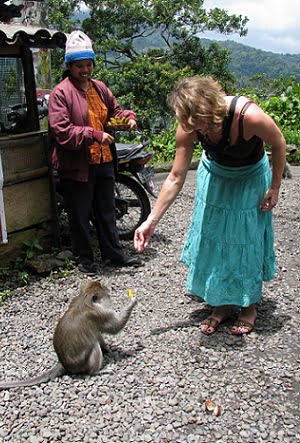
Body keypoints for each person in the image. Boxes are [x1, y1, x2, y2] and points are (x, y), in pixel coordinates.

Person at [134, 76, 286, 335]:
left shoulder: (247, 116)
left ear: (212, 109)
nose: (196, 130)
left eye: (200, 123)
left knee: (244, 238)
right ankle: (222, 303)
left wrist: (274, 187)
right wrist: (151, 220)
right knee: (215, 236)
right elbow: (175, 177)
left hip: (249, 176)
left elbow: (279, 142)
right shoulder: (190, 125)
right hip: (215, 174)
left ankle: (248, 305)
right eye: (190, 123)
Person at [48, 30, 142, 276]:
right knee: (79, 214)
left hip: (104, 159)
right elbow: (62, 132)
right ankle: (85, 259)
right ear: (70, 66)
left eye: (89, 65)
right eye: (80, 66)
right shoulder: (61, 93)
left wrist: (128, 118)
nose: (85, 70)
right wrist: (94, 134)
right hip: (77, 164)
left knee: (107, 209)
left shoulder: (99, 88)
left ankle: (114, 254)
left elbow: (116, 111)